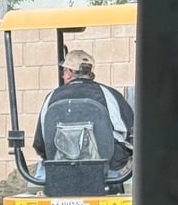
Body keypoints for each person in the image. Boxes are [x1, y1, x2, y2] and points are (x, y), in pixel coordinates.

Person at [33, 49, 134, 179]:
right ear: (90, 73)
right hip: (108, 172)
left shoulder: (51, 97)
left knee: (42, 169)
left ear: (69, 73)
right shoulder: (110, 95)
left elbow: (40, 143)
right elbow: (131, 134)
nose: (63, 76)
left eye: (64, 71)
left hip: (62, 171)